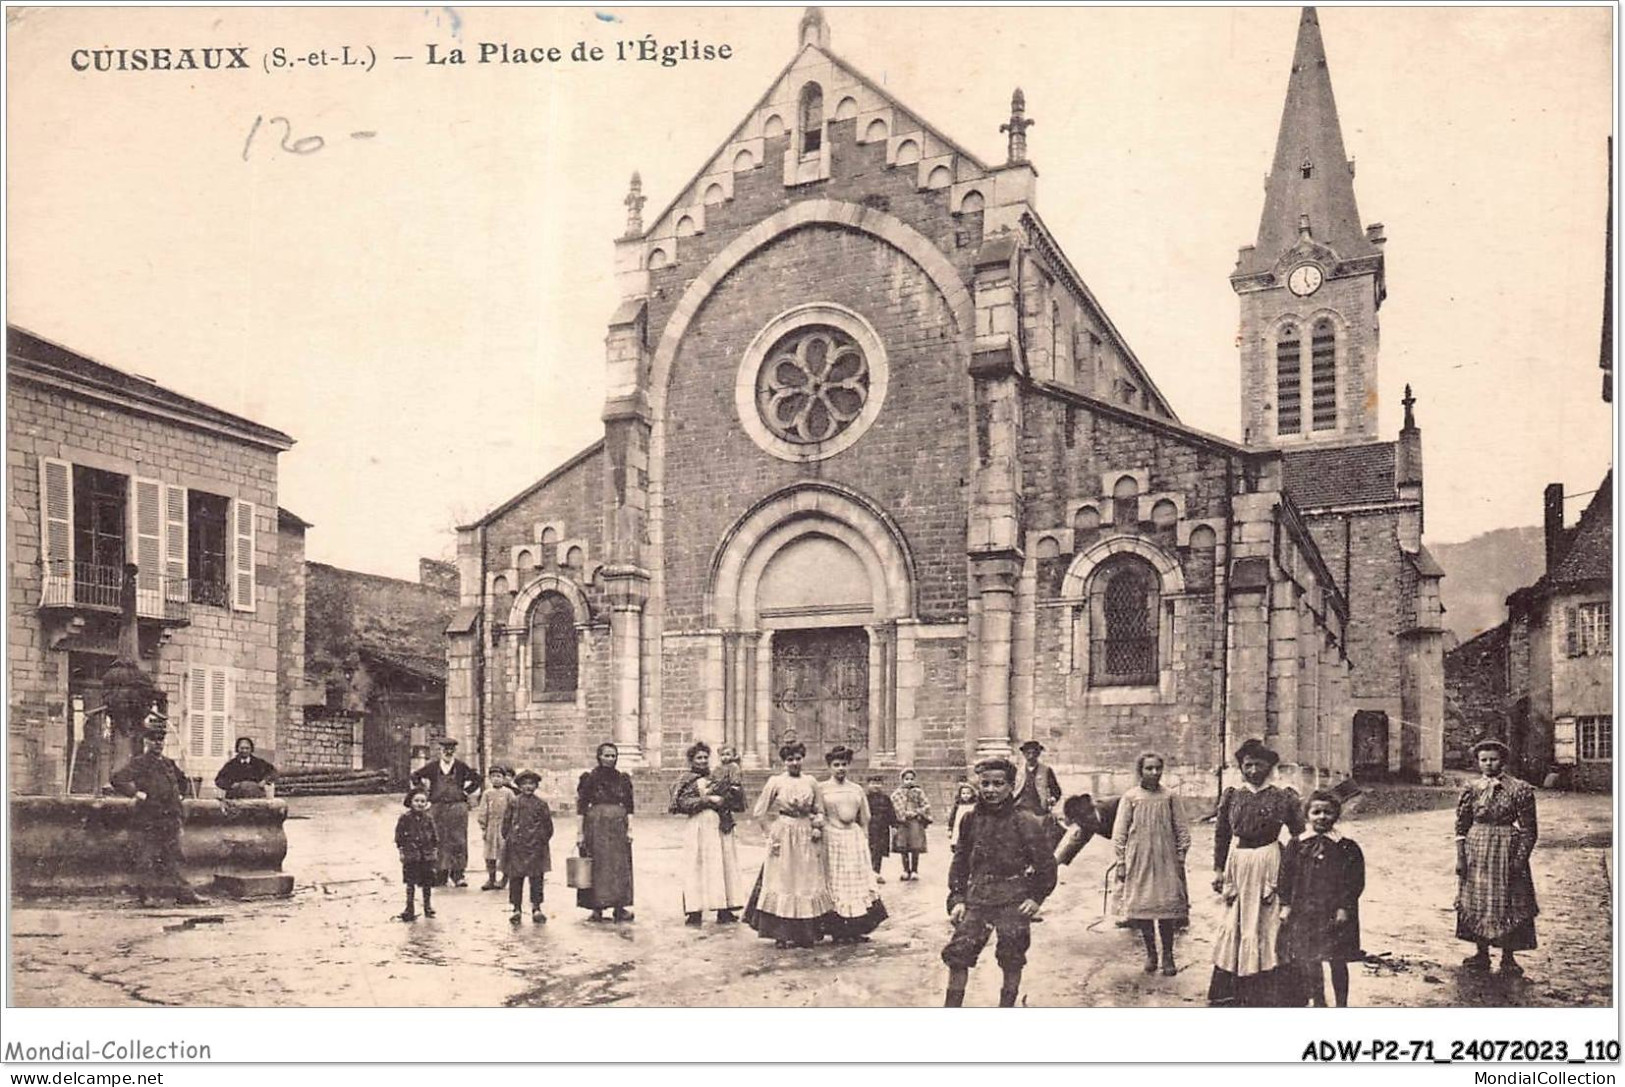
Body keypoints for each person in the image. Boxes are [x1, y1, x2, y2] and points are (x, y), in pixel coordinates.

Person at [942, 757, 1059, 1007]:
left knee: (1011, 956)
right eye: (985, 784)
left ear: (1010, 786)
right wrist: (957, 899)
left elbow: (1046, 866)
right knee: (958, 955)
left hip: (1012, 899)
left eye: (998, 784)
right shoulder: (970, 819)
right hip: (978, 898)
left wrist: (1035, 898)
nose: (991, 790)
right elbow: (960, 863)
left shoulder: (1025, 821)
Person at [1208, 737, 1304, 1007]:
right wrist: (1218, 870)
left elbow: (1298, 834)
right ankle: (1232, 991)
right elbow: (1222, 834)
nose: (1252, 771)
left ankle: (1271, 992)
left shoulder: (1283, 795)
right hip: (1238, 863)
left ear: (1270, 766)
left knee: (1267, 922)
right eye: (1247, 765)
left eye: (1258, 765)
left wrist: (1291, 867)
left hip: (1269, 860)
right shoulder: (1232, 795)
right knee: (1236, 922)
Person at [1455, 738, 1539, 976]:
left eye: (1493, 759)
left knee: (1509, 900)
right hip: (1477, 850)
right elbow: (1461, 826)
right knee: (1478, 900)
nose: (1489, 764)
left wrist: (1519, 860)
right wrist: (1461, 858)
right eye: (1484, 760)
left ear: (1503, 760)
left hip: (1506, 849)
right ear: (1478, 762)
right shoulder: (1471, 789)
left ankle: (1508, 957)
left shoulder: (1519, 789)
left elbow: (1529, 829)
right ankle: (1481, 953)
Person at [744, 741, 834, 949]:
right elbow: (760, 811)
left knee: (805, 881)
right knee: (783, 880)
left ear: (803, 759)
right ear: (784, 761)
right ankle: (781, 933)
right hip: (783, 833)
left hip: (806, 834)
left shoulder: (811, 782)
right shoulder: (775, 781)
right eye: (790, 759)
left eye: (798, 758)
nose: (794, 763)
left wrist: (817, 823)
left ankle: (806, 933)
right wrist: (770, 835)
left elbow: (819, 809)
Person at [1280, 789, 1365, 1006]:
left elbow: (1354, 881)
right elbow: (1285, 876)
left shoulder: (1346, 846)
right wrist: (1286, 904)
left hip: (1334, 912)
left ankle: (1341, 1004)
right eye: (1316, 812)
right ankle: (1319, 1001)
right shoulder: (1297, 844)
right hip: (1305, 912)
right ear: (1307, 815)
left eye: (1328, 812)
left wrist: (1344, 907)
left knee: (1337, 959)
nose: (1321, 817)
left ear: (1336, 815)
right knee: (1310, 958)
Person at [1112, 752, 1191, 977]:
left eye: (1157, 768)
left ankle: (1168, 954)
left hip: (1166, 859)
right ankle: (1151, 954)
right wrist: (1121, 861)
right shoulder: (1130, 798)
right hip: (1139, 858)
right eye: (1149, 768)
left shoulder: (1170, 797)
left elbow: (1182, 829)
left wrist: (1180, 856)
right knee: (1144, 908)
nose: (1154, 773)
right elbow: (1120, 832)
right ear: (1140, 771)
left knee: (1165, 909)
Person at [109, 723, 205, 906]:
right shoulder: (139, 762)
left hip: (170, 817)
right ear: (147, 742)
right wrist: (136, 793)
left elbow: (183, 780)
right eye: (154, 740)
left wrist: (180, 795)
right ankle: (148, 896)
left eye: (160, 740)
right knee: (147, 856)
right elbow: (117, 778)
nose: (158, 744)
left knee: (176, 856)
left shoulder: (168, 763)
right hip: (149, 817)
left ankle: (184, 893)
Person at [670, 741, 745, 926]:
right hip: (698, 825)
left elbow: (737, 802)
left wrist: (729, 796)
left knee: (722, 864)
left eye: (705, 757)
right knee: (697, 865)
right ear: (691, 760)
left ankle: (724, 909)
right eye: (699, 758)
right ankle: (695, 911)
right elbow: (681, 804)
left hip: (719, 825)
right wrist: (707, 799)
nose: (703, 761)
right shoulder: (686, 779)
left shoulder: (718, 775)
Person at [818, 746, 887, 943]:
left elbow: (865, 817)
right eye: (836, 765)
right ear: (830, 767)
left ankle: (856, 928)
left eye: (844, 765)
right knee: (836, 882)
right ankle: (837, 929)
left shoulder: (856, 789)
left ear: (849, 766)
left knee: (854, 882)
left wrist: (864, 841)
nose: (840, 769)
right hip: (832, 838)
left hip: (853, 839)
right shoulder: (821, 788)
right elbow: (819, 813)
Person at [410, 737, 483, 887]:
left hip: (457, 807)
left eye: (451, 750)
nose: (448, 752)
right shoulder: (433, 766)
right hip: (437, 807)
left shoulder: (461, 766)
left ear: (454, 751)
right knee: (438, 839)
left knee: (458, 840)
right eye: (445, 750)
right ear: (440, 751)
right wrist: (424, 792)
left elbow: (477, 779)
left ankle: (458, 875)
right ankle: (440, 874)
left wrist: (465, 792)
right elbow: (415, 776)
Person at [576, 742, 635, 922]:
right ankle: (596, 908)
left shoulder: (623, 779)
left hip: (618, 825)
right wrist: (580, 832)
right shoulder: (589, 778)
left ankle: (619, 906)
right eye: (606, 755)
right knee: (596, 864)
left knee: (619, 865)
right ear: (599, 757)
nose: (610, 759)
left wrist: (630, 829)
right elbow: (581, 807)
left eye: (613, 756)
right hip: (595, 825)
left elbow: (630, 806)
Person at [501, 769, 555, 924]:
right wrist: (511, 838)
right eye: (524, 784)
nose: (528, 787)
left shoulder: (541, 804)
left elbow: (548, 827)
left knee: (536, 878)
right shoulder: (514, 803)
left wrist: (541, 840)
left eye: (531, 784)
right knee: (515, 878)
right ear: (519, 786)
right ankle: (516, 909)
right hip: (517, 847)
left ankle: (536, 908)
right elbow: (506, 824)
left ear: (536, 786)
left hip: (536, 847)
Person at [394, 787, 439, 921]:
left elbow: (434, 836)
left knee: (427, 882)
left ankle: (427, 906)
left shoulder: (429, 818)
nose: (419, 804)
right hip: (411, 855)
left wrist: (434, 850)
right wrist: (402, 851)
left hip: (426, 855)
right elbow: (399, 836)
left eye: (423, 801)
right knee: (410, 882)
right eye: (416, 801)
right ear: (411, 802)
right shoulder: (405, 818)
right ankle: (409, 908)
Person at [1012, 740, 1065, 849]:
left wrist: (1052, 799)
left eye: (1034, 753)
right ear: (1024, 754)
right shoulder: (1018, 770)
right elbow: (1011, 788)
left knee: (1039, 838)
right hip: (1020, 806)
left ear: (1038, 754)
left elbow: (1056, 790)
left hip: (1038, 809)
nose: (1031, 756)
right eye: (1028, 753)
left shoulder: (1046, 770)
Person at [476, 765, 515, 891]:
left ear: (504, 778)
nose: (496, 779)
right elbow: (483, 811)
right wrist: (484, 827)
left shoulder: (509, 793)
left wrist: (511, 826)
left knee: (505, 853)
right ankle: (491, 878)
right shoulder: (487, 793)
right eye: (493, 777)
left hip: (505, 827)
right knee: (489, 854)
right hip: (491, 827)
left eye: (499, 776)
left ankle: (504, 878)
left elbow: (514, 809)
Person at [890, 768, 931, 881]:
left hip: (915, 822)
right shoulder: (897, 793)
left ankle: (914, 870)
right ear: (902, 780)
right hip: (903, 822)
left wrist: (917, 812)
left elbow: (926, 805)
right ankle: (905, 870)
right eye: (906, 779)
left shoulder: (918, 792)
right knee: (903, 847)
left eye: (911, 779)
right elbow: (894, 806)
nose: (909, 781)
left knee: (915, 846)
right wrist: (902, 814)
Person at [213, 737, 277, 799]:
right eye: (242, 748)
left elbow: (273, 772)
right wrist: (230, 785)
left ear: (251, 749)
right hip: (235, 798)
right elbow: (219, 780)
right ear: (237, 749)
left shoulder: (259, 762)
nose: (244, 751)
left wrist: (264, 781)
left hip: (256, 798)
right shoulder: (231, 765)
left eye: (247, 748)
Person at [864, 775, 897, 882]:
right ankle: (867, 873)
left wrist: (894, 825)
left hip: (882, 829)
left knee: (879, 851)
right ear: (868, 785)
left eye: (878, 783)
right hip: (870, 828)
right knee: (868, 850)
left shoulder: (885, 798)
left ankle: (876, 873)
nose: (876, 786)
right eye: (873, 783)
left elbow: (891, 812)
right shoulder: (865, 798)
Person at [947, 781, 978, 852]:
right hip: (958, 827)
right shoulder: (958, 805)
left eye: (968, 793)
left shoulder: (975, 805)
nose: (966, 795)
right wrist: (950, 829)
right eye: (963, 793)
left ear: (972, 794)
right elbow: (952, 817)